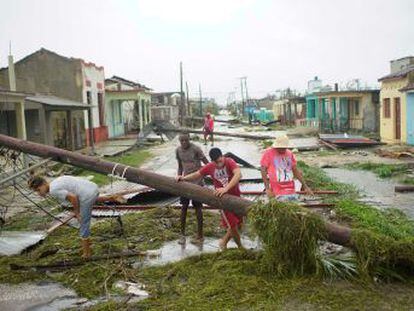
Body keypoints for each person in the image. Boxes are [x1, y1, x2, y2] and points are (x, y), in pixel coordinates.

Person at [28, 175, 124, 258]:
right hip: (92, 188)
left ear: (44, 184)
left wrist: (77, 213)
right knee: (89, 201)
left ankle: (87, 253)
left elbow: (73, 198)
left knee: (83, 223)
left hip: (87, 195)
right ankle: (112, 197)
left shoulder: (53, 190)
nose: (39, 193)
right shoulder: (56, 181)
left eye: (38, 190)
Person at [176, 147, 243, 250]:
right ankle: (240, 247)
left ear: (222, 156)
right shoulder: (210, 167)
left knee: (239, 224)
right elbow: (197, 174)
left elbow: (238, 174)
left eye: (220, 161)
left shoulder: (230, 162)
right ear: (212, 161)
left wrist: (226, 188)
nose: (219, 164)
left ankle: (223, 242)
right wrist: (183, 178)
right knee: (233, 226)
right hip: (223, 200)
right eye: (216, 162)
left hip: (236, 197)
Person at [176, 133, 209, 245]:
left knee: (198, 207)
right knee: (184, 207)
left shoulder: (196, 149)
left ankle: (200, 235)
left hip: (197, 183)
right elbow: (180, 166)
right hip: (185, 182)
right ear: (179, 141)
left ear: (189, 139)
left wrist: (203, 175)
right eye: (182, 141)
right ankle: (182, 234)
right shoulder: (178, 151)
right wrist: (179, 176)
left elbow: (207, 164)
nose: (184, 143)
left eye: (186, 140)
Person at [260, 135, 313, 201]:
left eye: (283, 148)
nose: (282, 149)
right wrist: (267, 188)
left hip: (290, 189)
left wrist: (305, 186)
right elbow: (263, 170)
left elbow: (295, 170)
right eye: (280, 148)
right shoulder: (268, 153)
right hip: (277, 191)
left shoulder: (289, 154)